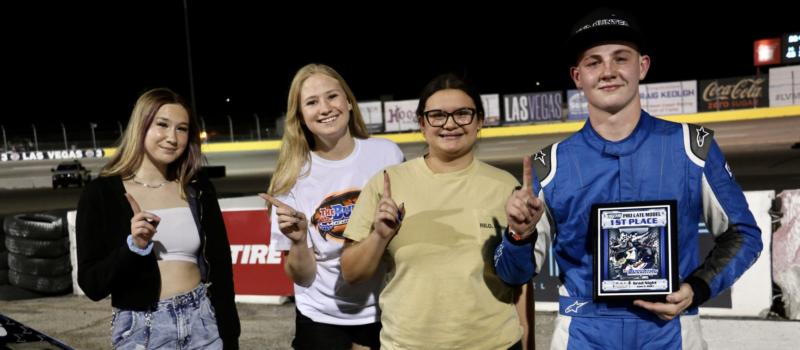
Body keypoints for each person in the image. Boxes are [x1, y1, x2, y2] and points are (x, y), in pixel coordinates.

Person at [493, 8, 763, 350]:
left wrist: (697, 288)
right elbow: (512, 275)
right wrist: (519, 235)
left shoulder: (692, 147)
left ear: (643, 66)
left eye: (621, 58)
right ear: (577, 76)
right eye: (593, 62)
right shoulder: (551, 163)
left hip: (671, 330)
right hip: (583, 334)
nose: (608, 71)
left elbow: (744, 235)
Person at [341, 74, 534, 349]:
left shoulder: (505, 186)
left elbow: (520, 282)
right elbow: (351, 273)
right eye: (437, 116)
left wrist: (528, 339)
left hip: (496, 344)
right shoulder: (387, 184)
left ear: (479, 121)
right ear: (422, 123)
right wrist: (379, 237)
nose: (450, 124)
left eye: (462, 114)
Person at [76, 88, 240, 349]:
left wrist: (230, 335)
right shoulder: (101, 193)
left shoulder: (198, 188)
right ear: (140, 126)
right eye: (162, 125)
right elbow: (92, 284)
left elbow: (221, 267)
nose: (172, 138)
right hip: (143, 328)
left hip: (203, 321)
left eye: (182, 129)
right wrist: (133, 247)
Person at [260, 63, 404, 350]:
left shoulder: (387, 154)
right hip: (320, 320)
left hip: (386, 311)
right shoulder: (290, 176)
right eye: (312, 102)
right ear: (300, 116)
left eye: (332, 96)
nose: (325, 108)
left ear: (349, 102)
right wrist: (299, 241)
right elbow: (302, 275)